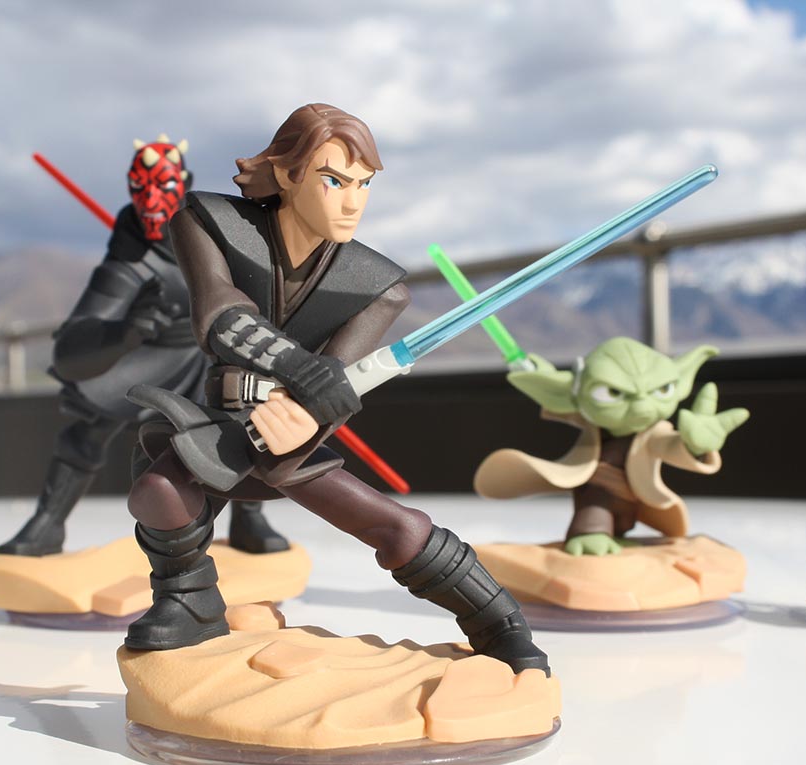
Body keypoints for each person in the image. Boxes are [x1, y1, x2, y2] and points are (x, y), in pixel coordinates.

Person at [124, 104, 548, 673]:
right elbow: (221, 315)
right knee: (160, 489)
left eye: (363, 184)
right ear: (287, 173)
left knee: (395, 528)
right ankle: (189, 601)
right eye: (333, 180)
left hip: (292, 432)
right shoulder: (209, 223)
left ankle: (500, 622)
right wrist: (304, 371)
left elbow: (340, 382)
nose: (353, 202)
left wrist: (311, 417)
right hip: (221, 420)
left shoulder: (377, 286)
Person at [0, 135, 287, 557]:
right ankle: (48, 523)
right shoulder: (132, 255)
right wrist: (125, 332)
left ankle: (249, 517)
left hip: (217, 348)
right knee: (90, 422)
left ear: (183, 184)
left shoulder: (216, 229)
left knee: (246, 419)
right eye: (141, 186)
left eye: (163, 187)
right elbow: (78, 340)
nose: (151, 200)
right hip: (157, 351)